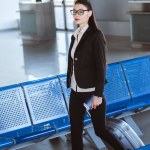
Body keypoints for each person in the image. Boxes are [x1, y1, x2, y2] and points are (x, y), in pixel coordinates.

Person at [66, 0, 125, 150]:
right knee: (76, 132)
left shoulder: (96, 35)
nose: (76, 15)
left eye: (81, 11)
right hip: (76, 91)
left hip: (92, 92)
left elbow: (100, 67)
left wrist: (98, 94)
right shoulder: (75, 35)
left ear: (90, 13)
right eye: (74, 11)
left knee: (100, 130)